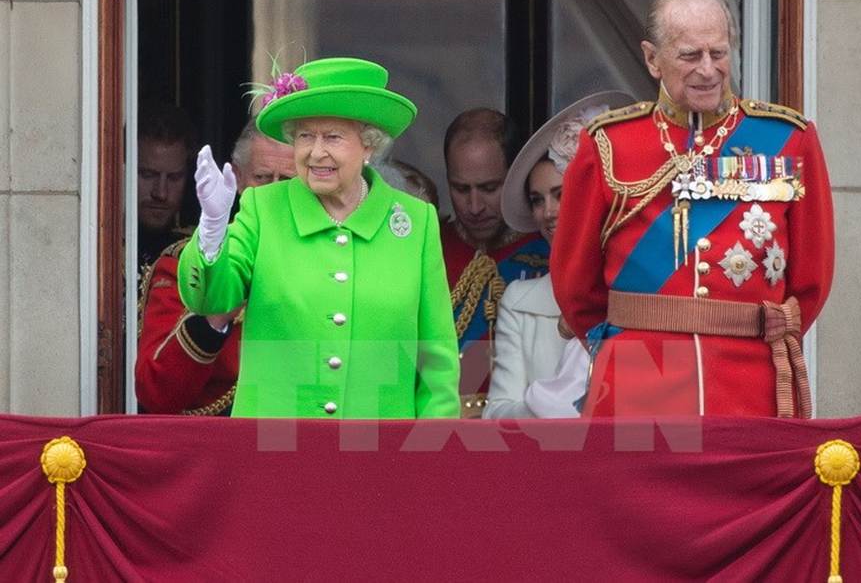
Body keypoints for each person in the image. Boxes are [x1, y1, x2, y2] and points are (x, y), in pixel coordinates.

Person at [552, 0, 834, 419]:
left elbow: (811, 279)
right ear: (652, 59)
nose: (709, 70)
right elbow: (575, 286)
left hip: (750, 384)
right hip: (637, 381)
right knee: (638, 489)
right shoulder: (608, 143)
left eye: (718, 53)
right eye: (690, 56)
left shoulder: (787, 139)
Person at [177, 57, 460, 419]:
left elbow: (436, 358)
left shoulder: (414, 222)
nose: (316, 152)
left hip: (380, 455)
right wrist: (213, 230)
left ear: (369, 145)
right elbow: (212, 298)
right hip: (275, 451)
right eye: (305, 136)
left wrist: (428, 458)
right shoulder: (264, 208)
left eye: (333, 137)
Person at [484, 91, 634, 419]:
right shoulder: (521, 299)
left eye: (560, 194)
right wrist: (553, 410)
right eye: (537, 200)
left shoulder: (643, 290)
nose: (548, 212)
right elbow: (496, 414)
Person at [135, 119, 296, 415]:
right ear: (237, 179)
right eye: (262, 178)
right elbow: (156, 394)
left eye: (287, 181)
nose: (273, 194)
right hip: (218, 446)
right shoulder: (186, 262)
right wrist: (215, 316)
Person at [441, 108, 550, 416]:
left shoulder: (550, 252)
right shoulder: (429, 247)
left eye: (490, 188)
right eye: (461, 189)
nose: (474, 206)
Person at [137, 102, 197, 282]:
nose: (160, 193)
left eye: (174, 178)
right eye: (148, 175)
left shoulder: (197, 250)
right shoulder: (100, 248)